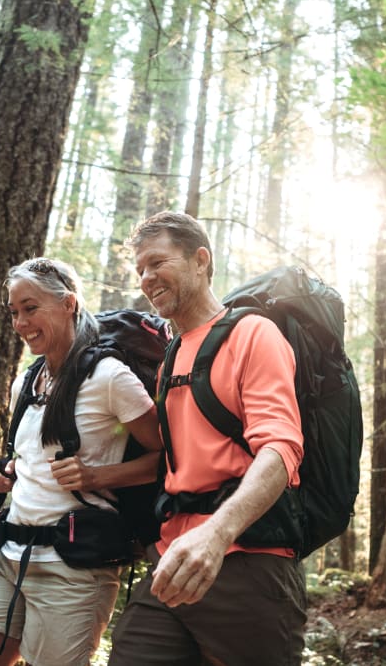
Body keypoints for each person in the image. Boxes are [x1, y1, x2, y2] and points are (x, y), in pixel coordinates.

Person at [108, 212, 307, 665]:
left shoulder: (253, 333)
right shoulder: (170, 357)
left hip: (249, 559)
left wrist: (216, 534)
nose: (146, 278)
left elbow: (281, 447)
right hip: (172, 559)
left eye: (158, 262)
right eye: (139, 269)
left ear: (201, 260)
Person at [0, 257, 163, 666]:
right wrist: (7, 469)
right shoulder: (26, 381)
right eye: (13, 312)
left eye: (30, 308)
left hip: (75, 568)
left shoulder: (110, 377)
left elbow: (168, 458)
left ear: (68, 304)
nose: (20, 323)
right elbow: (30, 455)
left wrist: (98, 475)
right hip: (7, 555)